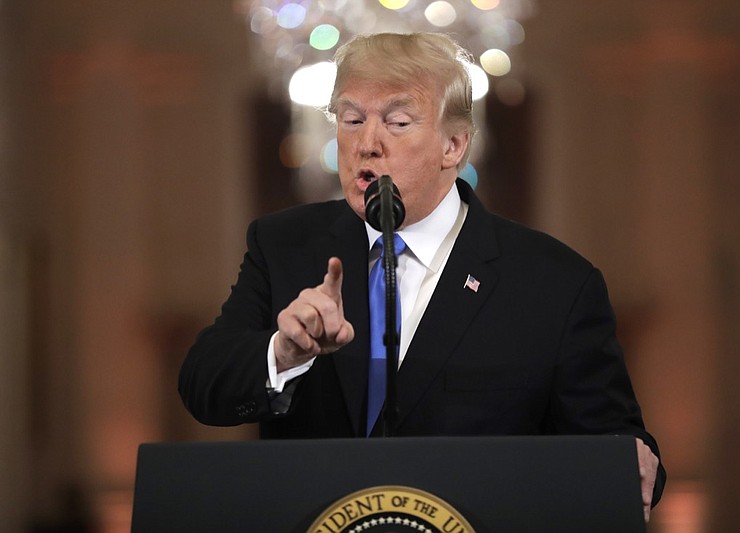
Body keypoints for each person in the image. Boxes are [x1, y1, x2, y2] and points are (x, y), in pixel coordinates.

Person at [178, 32, 666, 520]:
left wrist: (633, 457)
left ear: (453, 145)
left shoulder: (553, 284)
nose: (366, 144)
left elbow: (615, 445)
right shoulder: (285, 246)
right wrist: (284, 354)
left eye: (397, 122)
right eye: (350, 120)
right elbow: (204, 385)